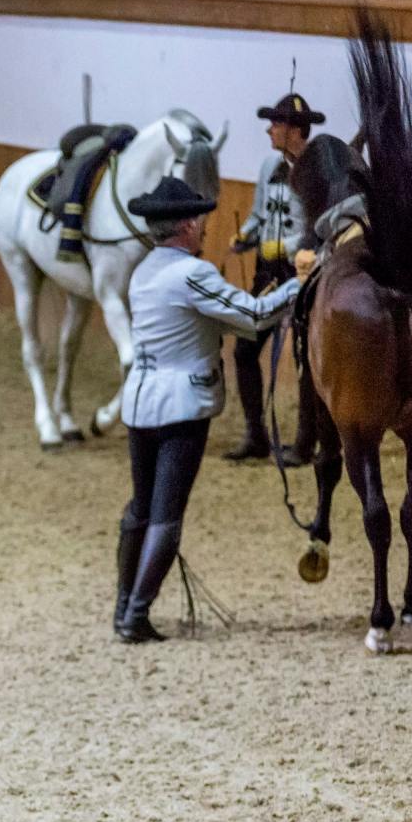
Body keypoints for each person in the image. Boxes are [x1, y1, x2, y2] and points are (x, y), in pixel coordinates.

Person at [115, 177, 301, 643]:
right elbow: (255, 316)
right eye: (196, 220)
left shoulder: (144, 271)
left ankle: (124, 607)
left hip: (140, 401)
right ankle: (137, 614)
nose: (202, 227)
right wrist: (299, 285)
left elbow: (211, 318)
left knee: (140, 508)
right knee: (166, 515)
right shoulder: (192, 274)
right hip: (181, 407)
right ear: (184, 226)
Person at [224, 90, 323, 463]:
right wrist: (246, 237)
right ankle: (255, 434)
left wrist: (282, 248)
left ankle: (304, 442)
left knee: (303, 356)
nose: (269, 131)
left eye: (276, 124)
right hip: (266, 273)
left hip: (301, 271)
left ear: (295, 131)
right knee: (246, 348)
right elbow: (259, 213)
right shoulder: (269, 166)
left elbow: (318, 228)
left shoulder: (315, 172)